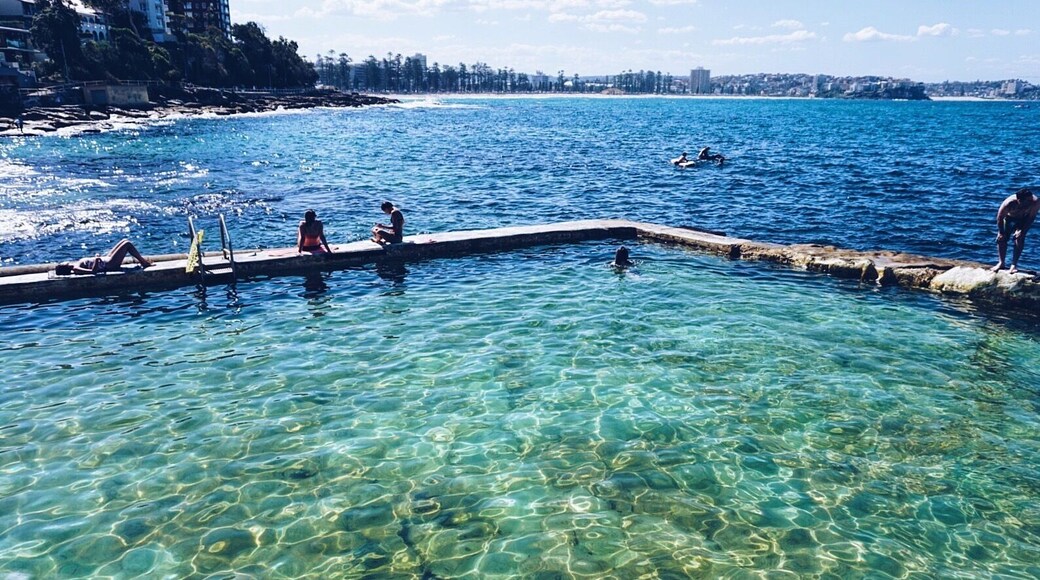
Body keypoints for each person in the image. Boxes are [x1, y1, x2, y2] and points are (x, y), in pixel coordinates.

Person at [991, 187, 1040, 274]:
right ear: (1019, 200)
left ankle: (1014, 265)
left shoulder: (1035, 202)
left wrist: (1023, 231)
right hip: (1009, 218)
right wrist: (1001, 232)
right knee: (1001, 239)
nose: (1027, 203)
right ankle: (1001, 262)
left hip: (1023, 219)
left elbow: (1031, 217)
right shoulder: (1009, 203)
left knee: (1019, 238)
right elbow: (1000, 217)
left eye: (1029, 200)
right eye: (1025, 201)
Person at [56, 239, 153, 275]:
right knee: (127, 244)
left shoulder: (76, 264)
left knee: (124, 240)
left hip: (106, 259)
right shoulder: (76, 268)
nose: (63, 262)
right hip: (109, 264)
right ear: (65, 266)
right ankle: (143, 262)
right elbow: (94, 272)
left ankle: (143, 261)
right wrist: (97, 259)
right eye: (62, 264)